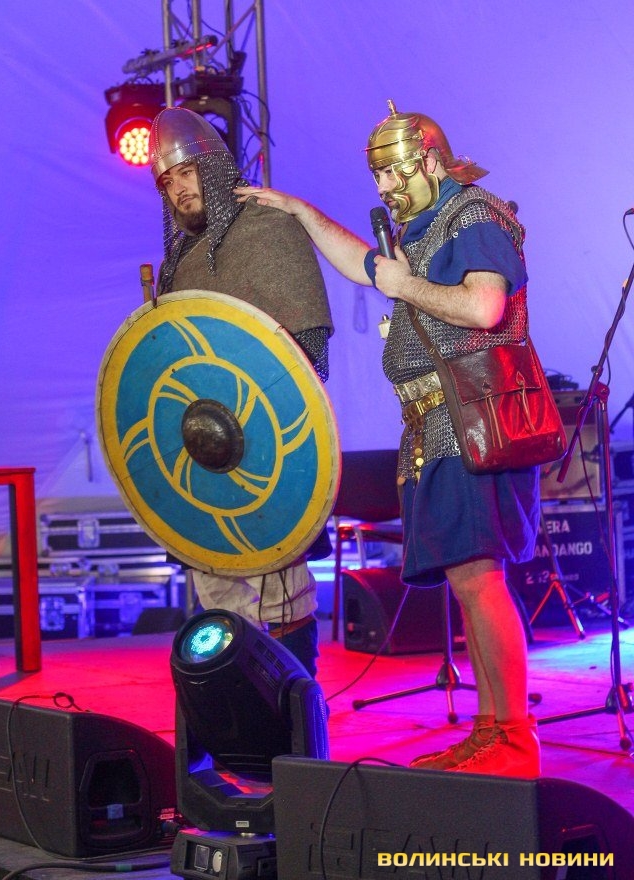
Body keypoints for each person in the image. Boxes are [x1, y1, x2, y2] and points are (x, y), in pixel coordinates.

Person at [235, 100, 541, 778]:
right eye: (378, 177)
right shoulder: (426, 228)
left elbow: (484, 306)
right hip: (438, 426)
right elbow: (367, 267)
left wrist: (408, 284)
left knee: (481, 580)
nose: (385, 188)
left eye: (394, 173)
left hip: (472, 420)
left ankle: (516, 740)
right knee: (467, 583)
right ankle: (491, 732)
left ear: (429, 160)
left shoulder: (473, 214)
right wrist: (302, 213)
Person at [147, 106, 334, 678]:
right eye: (167, 181)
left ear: (215, 167)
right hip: (204, 456)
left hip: (268, 449)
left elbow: (303, 361)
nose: (179, 189)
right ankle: (236, 723)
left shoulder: (267, 230)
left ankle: (296, 724)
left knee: (282, 601)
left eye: (187, 172)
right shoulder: (180, 260)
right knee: (219, 605)